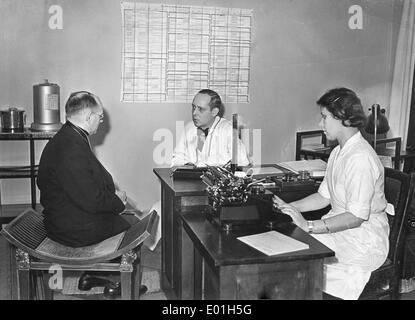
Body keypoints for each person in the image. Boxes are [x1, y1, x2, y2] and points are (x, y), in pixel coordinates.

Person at [273, 87, 390, 300]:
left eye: (324, 117)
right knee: (290, 251)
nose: (320, 124)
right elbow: (323, 197)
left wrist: (308, 225)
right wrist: (290, 208)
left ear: (342, 118)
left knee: (300, 260)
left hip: (363, 240)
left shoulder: (360, 158)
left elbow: (356, 217)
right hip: (341, 230)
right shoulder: (338, 152)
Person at [37, 91, 145, 297]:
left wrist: (111, 194)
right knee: (130, 231)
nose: (101, 121)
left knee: (119, 220)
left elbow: (82, 186)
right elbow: (92, 200)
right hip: (70, 229)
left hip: (66, 217)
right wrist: (118, 201)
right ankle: (119, 284)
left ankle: (91, 277)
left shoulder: (68, 137)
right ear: (88, 117)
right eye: (100, 116)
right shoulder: (71, 147)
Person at [171, 89, 250, 167]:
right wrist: (186, 165)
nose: (194, 113)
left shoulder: (227, 129)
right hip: (192, 178)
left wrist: (206, 163)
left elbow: (242, 161)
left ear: (214, 112)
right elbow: (177, 158)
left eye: (200, 109)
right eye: (194, 107)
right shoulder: (189, 127)